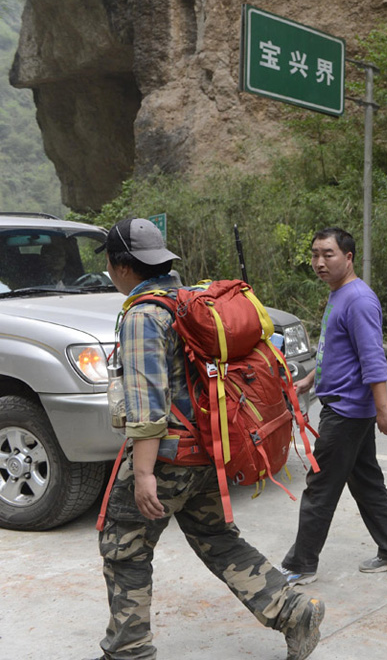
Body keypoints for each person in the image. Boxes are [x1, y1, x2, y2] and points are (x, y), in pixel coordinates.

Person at [89, 217, 324, 660]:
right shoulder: (185, 301)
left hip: (168, 456)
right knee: (218, 538)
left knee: (124, 546)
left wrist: (143, 474)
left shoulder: (143, 315)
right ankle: (294, 612)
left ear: (120, 266)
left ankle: (129, 649)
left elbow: (147, 406)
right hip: (207, 452)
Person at [280, 227, 387, 585]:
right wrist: (311, 380)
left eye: (328, 254)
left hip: (347, 411)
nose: (320, 262)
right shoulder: (339, 295)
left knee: (320, 487)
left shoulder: (358, 299)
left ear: (349, 257)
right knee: (367, 481)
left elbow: (372, 358)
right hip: (345, 405)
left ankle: (301, 563)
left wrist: (382, 409)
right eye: (315, 255)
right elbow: (338, 353)